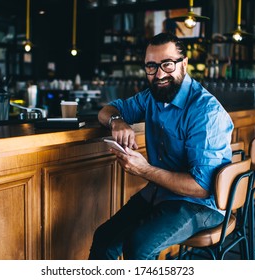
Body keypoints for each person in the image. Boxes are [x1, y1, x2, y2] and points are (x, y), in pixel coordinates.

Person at [89, 32, 234, 260]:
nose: (159, 74)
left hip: (200, 204)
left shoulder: (206, 112)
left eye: (167, 65)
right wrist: (117, 122)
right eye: (151, 66)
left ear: (184, 64)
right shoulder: (151, 97)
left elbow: (203, 187)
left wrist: (144, 170)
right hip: (161, 193)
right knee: (104, 238)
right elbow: (107, 110)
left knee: (139, 245)